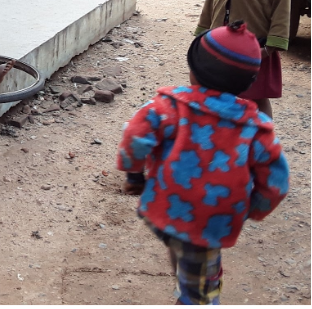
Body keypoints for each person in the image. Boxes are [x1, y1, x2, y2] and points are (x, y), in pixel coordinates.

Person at [116, 21, 289, 305]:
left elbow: (134, 135)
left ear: (192, 68)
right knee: (198, 281)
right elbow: (276, 182)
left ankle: (192, 281)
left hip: (163, 207)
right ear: (248, 82)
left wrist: (135, 177)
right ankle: (196, 293)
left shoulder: (167, 105)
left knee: (182, 245)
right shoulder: (255, 127)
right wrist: (253, 209)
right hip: (210, 217)